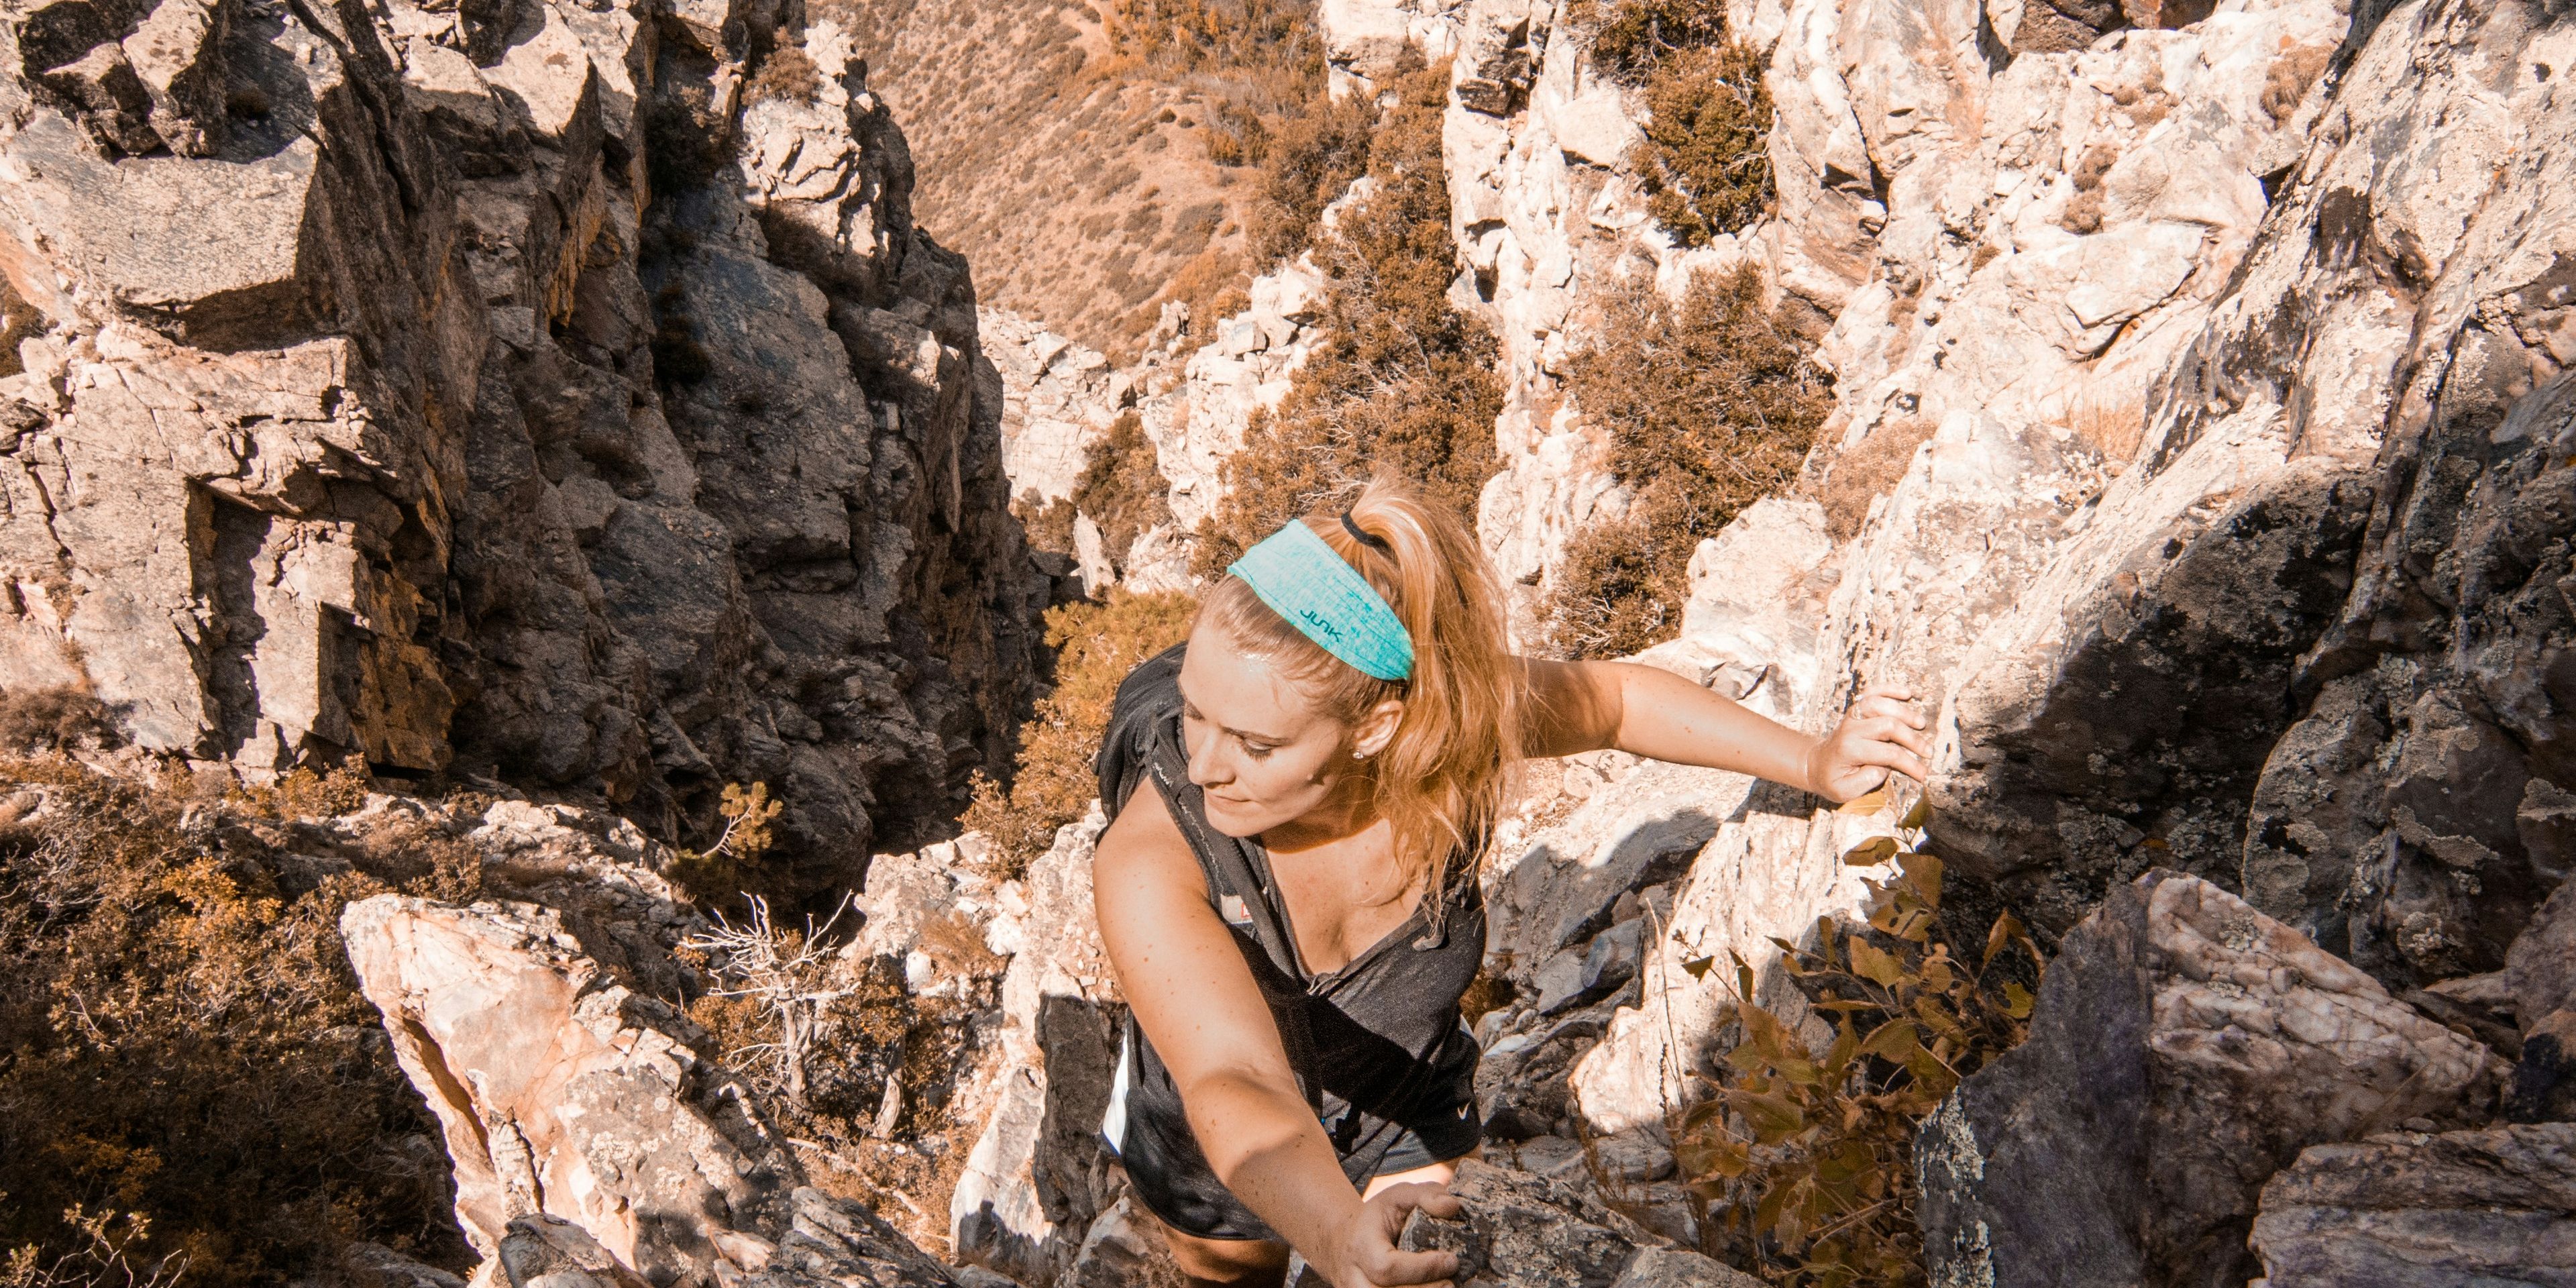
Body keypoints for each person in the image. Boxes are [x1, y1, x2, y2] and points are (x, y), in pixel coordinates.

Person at [1089, 474, 1932, 1288]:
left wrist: (1814, 760)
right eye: (1195, 710)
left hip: (1408, 1101)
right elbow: (1234, 1078)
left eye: (1256, 744)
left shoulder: (1446, 733)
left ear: (1378, 730)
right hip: (1215, 1141)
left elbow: (1614, 703)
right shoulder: (1149, 860)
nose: (1204, 765)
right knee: (1232, 1267)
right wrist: (1337, 1237)